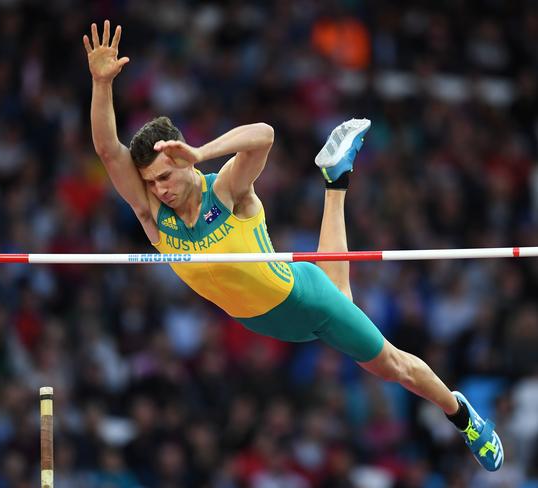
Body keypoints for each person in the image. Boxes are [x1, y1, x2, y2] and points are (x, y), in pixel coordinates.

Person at [82, 21, 504, 472]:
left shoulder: (223, 191)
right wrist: (102, 84)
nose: (160, 189)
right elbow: (110, 151)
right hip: (272, 323)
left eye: (166, 175)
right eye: (151, 182)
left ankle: (462, 416)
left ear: (184, 162)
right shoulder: (152, 216)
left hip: (302, 298)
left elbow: (264, 135)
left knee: (392, 366)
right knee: (341, 290)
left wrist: (202, 152)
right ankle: (336, 180)